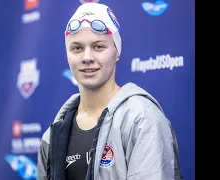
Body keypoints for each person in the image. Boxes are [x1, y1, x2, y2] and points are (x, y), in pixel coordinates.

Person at [37, 2, 182, 180]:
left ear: (117, 52)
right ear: (67, 55)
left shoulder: (142, 119)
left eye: (98, 47)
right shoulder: (52, 136)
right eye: (77, 48)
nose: (87, 57)